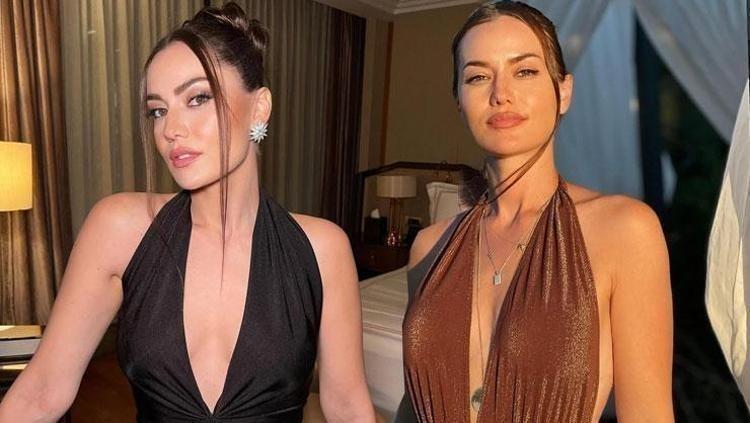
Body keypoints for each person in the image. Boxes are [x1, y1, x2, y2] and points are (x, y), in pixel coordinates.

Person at [0, 3, 375, 422]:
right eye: (158, 110)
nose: (170, 130)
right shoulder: (119, 228)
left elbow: (347, 407)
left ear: (259, 107)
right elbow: (41, 393)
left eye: (197, 98)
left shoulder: (322, 250)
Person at [398, 1, 673, 422]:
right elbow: (414, 405)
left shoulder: (624, 230)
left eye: (524, 71)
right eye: (477, 76)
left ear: (564, 92)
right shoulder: (429, 247)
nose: (500, 94)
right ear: (459, 100)